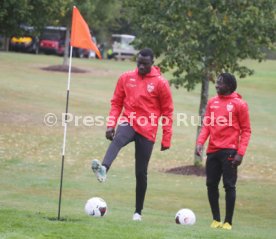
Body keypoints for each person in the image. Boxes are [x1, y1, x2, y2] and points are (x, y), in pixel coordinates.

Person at [91, 48, 174, 221]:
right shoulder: (126, 78)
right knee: (117, 140)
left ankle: (138, 212)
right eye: (139, 63)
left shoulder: (160, 83)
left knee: (141, 172)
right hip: (129, 121)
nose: (141, 66)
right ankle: (104, 168)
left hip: (148, 129)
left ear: (152, 63)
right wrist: (110, 125)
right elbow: (116, 103)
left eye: (145, 64)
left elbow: (167, 112)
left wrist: (166, 138)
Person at [196, 73, 251, 230]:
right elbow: (207, 125)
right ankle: (216, 219)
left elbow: (246, 130)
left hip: (230, 151)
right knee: (211, 184)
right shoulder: (212, 102)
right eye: (217, 83)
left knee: (229, 185)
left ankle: (228, 222)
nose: (216, 85)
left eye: (220, 83)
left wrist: (240, 153)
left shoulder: (239, 104)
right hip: (213, 150)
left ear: (229, 86)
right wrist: (200, 142)